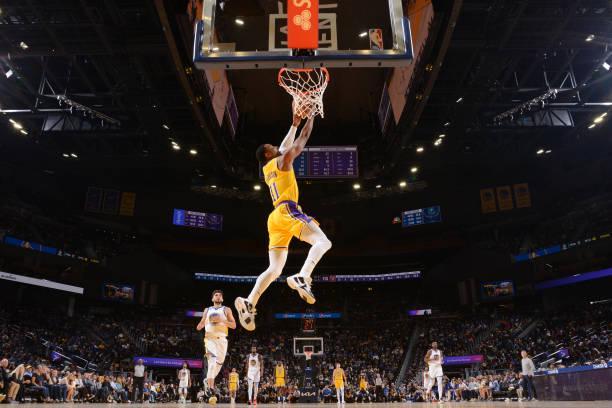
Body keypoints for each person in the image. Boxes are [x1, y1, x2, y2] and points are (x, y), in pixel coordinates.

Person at [235, 113, 332, 331]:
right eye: (272, 146)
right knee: (323, 242)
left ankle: (250, 301)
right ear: (268, 153)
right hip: (288, 210)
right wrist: (311, 118)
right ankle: (303, 276)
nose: (276, 146)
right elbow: (301, 140)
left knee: (275, 269)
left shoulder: (267, 168)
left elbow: (284, 145)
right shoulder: (282, 160)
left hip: (275, 218)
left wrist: (294, 124)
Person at [196, 290, 237, 399]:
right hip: (209, 339)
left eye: (220, 295)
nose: (218, 297)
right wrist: (200, 326)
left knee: (218, 365)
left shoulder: (226, 309)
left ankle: (208, 380)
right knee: (212, 362)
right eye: (216, 295)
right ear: (212, 298)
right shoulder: (207, 310)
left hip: (222, 340)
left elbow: (233, 325)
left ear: (222, 299)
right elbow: (201, 323)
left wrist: (221, 321)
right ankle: (210, 388)